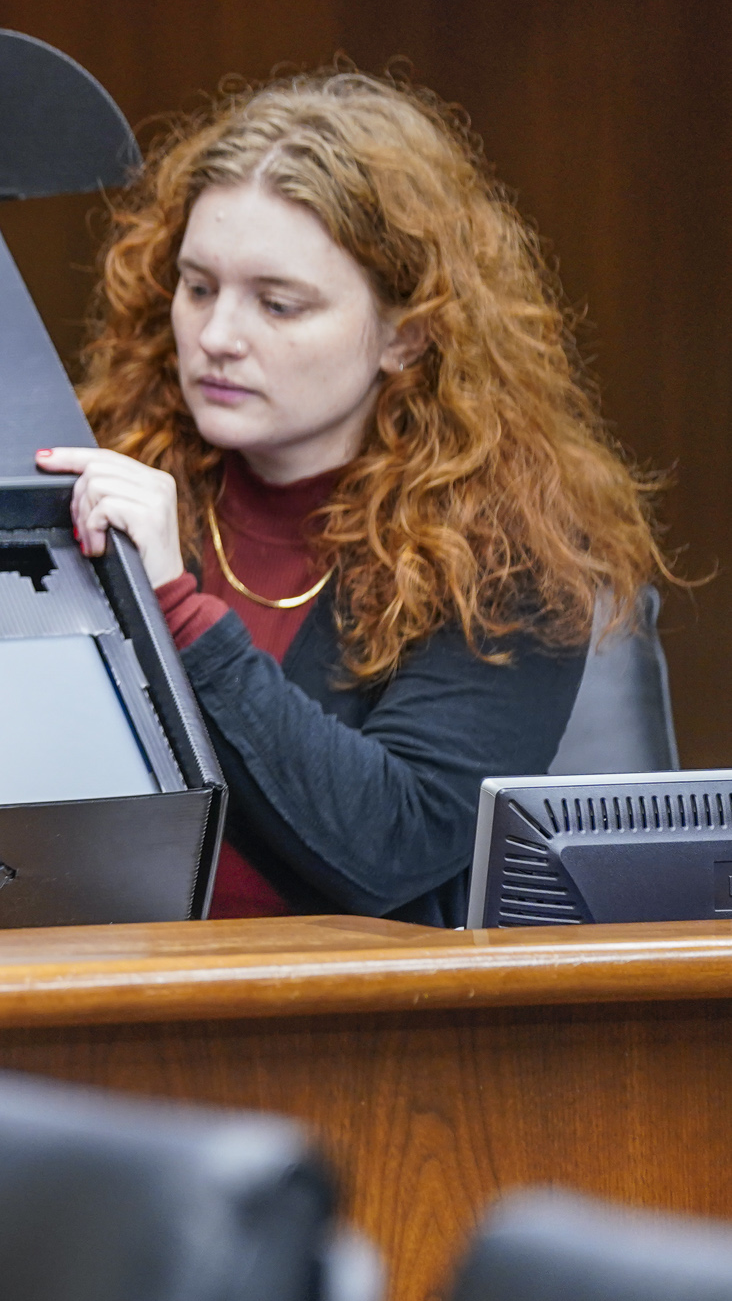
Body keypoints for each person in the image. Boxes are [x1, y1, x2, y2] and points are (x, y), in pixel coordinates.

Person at [37, 71, 674, 925]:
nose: (218, 337)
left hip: (342, 1030)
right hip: (81, 976)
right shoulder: (107, 475)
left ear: (406, 335)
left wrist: (175, 611)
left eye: (279, 303)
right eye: (198, 287)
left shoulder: (507, 553)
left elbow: (387, 847)